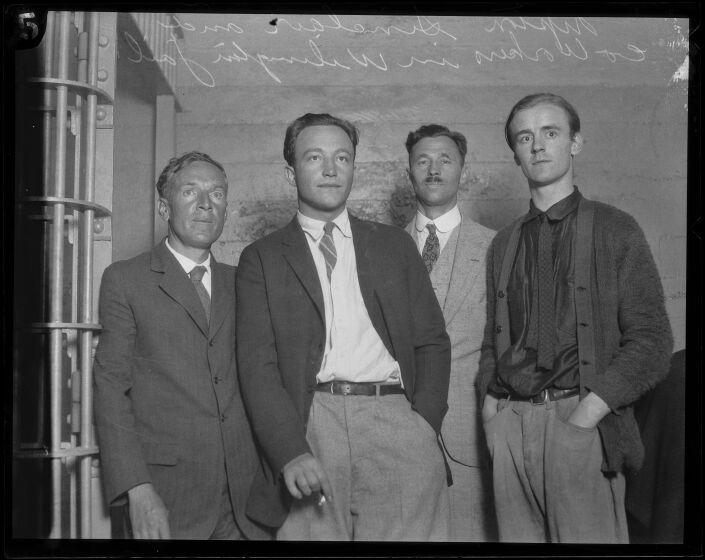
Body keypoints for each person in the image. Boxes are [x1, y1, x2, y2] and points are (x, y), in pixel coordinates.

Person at [235, 113, 452, 541]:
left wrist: (422, 426)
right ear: (290, 171)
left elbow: (432, 341)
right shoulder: (262, 258)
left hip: (395, 418)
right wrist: (289, 451)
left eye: (343, 158)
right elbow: (257, 367)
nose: (331, 169)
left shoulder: (394, 244)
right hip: (312, 422)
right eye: (314, 157)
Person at [477, 93, 673, 543]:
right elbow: (494, 339)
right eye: (525, 137)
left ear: (575, 143)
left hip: (581, 422)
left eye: (551, 132)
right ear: (515, 155)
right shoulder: (503, 243)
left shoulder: (616, 229)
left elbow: (652, 339)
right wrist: (491, 409)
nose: (538, 145)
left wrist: (590, 412)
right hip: (511, 425)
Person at [93, 151, 270, 540]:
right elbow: (110, 390)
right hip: (166, 499)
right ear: (163, 207)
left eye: (217, 194)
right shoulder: (125, 280)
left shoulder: (244, 282)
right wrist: (136, 489)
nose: (206, 204)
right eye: (190, 191)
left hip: (246, 505)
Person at [404, 124, 496, 541]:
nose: (434, 169)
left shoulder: (496, 247)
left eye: (445, 159)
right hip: (394, 437)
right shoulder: (380, 248)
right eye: (423, 160)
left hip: (468, 439)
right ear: (409, 171)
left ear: (463, 169)